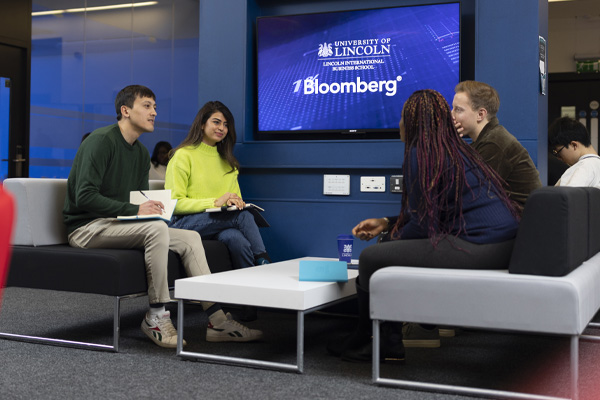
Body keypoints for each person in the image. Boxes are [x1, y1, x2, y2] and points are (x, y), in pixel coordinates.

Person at [327, 89, 520, 364]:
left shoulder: (422, 154)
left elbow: (422, 227)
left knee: (372, 257)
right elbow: (435, 215)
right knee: (388, 247)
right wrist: (387, 225)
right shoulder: (451, 150)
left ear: (414, 122)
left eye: (403, 117)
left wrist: (390, 237)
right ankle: (381, 339)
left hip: (481, 247)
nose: (399, 124)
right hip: (500, 245)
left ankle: (374, 340)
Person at [63, 85, 262, 348]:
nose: (154, 112)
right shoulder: (100, 141)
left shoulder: (139, 153)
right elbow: (84, 196)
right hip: (87, 228)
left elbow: (132, 200)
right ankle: (156, 315)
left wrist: (149, 208)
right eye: (147, 106)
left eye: (155, 107)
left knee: (190, 237)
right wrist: (137, 211)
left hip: (117, 224)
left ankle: (217, 320)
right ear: (125, 110)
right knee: (155, 229)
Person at [165, 100, 270, 322]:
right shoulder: (182, 155)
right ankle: (264, 262)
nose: (222, 128)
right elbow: (174, 203)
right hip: (183, 223)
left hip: (219, 223)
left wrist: (236, 202)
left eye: (225, 124)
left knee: (237, 239)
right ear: (202, 124)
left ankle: (248, 304)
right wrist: (215, 202)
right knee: (240, 216)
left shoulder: (229, 163)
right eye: (216, 122)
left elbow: (233, 200)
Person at [452, 80, 541, 212]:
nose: (451, 114)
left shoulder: (494, 143)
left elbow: (468, 192)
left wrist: (448, 140)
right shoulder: (487, 138)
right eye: (453, 108)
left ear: (481, 114)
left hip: (520, 221)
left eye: (458, 110)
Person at [548, 116, 600, 188]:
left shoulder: (581, 168)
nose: (559, 158)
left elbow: (565, 198)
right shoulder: (596, 165)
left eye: (558, 152)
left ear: (574, 145)